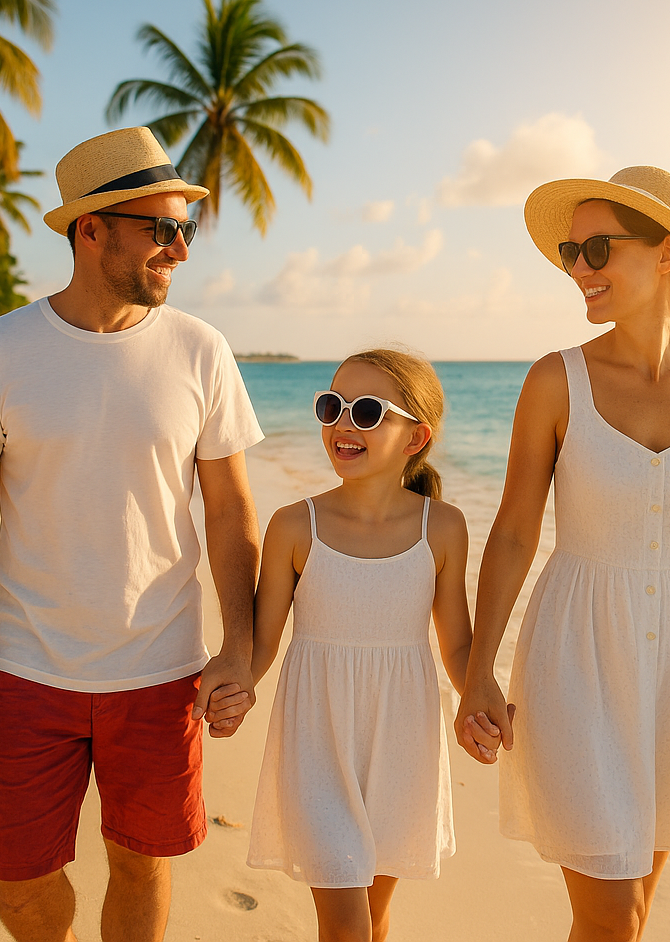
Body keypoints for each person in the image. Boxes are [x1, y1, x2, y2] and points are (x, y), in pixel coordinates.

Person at [0, 126, 265, 942]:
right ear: (92, 228)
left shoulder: (201, 351)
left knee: (143, 863)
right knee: (20, 882)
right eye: (162, 228)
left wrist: (239, 646)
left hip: (161, 668)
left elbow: (229, 510)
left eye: (187, 230)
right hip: (26, 666)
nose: (179, 249)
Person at [454, 166, 670, 942]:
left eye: (597, 248)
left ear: (668, 254)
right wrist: (476, 672)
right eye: (571, 251)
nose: (579, 270)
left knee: (625, 919)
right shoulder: (554, 380)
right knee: (609, 916)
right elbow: (513, 533)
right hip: (576, 656)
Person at [210, 349, 487, 942]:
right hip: (317, 739)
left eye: (366, 412)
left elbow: (458, 647)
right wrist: (233, 685)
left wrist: (483, 699)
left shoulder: (443, 527)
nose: (342, 425)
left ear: (416, 437)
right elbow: (259, 648)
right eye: (332, 407)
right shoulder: (293, 525)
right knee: (345, 924)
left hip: (404, 742)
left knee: (373, 918)